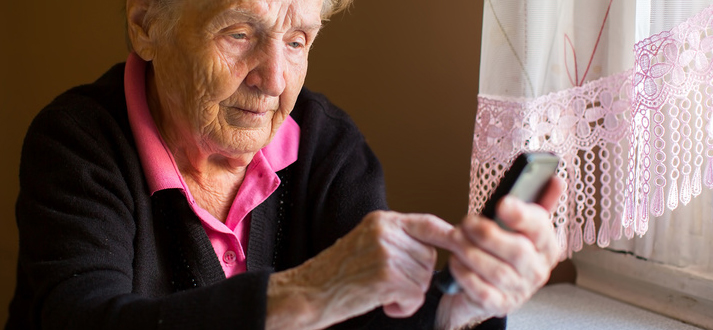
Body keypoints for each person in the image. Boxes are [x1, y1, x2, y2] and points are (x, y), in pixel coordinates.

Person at [6, 0, 565, 328]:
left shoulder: (326, 144)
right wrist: (306, 292)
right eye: (240, 32)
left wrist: (456, 305)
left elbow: (368, 323)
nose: (274, 80)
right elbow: (77, 320)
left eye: (298, 40)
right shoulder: (78, 141)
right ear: (147, 22)